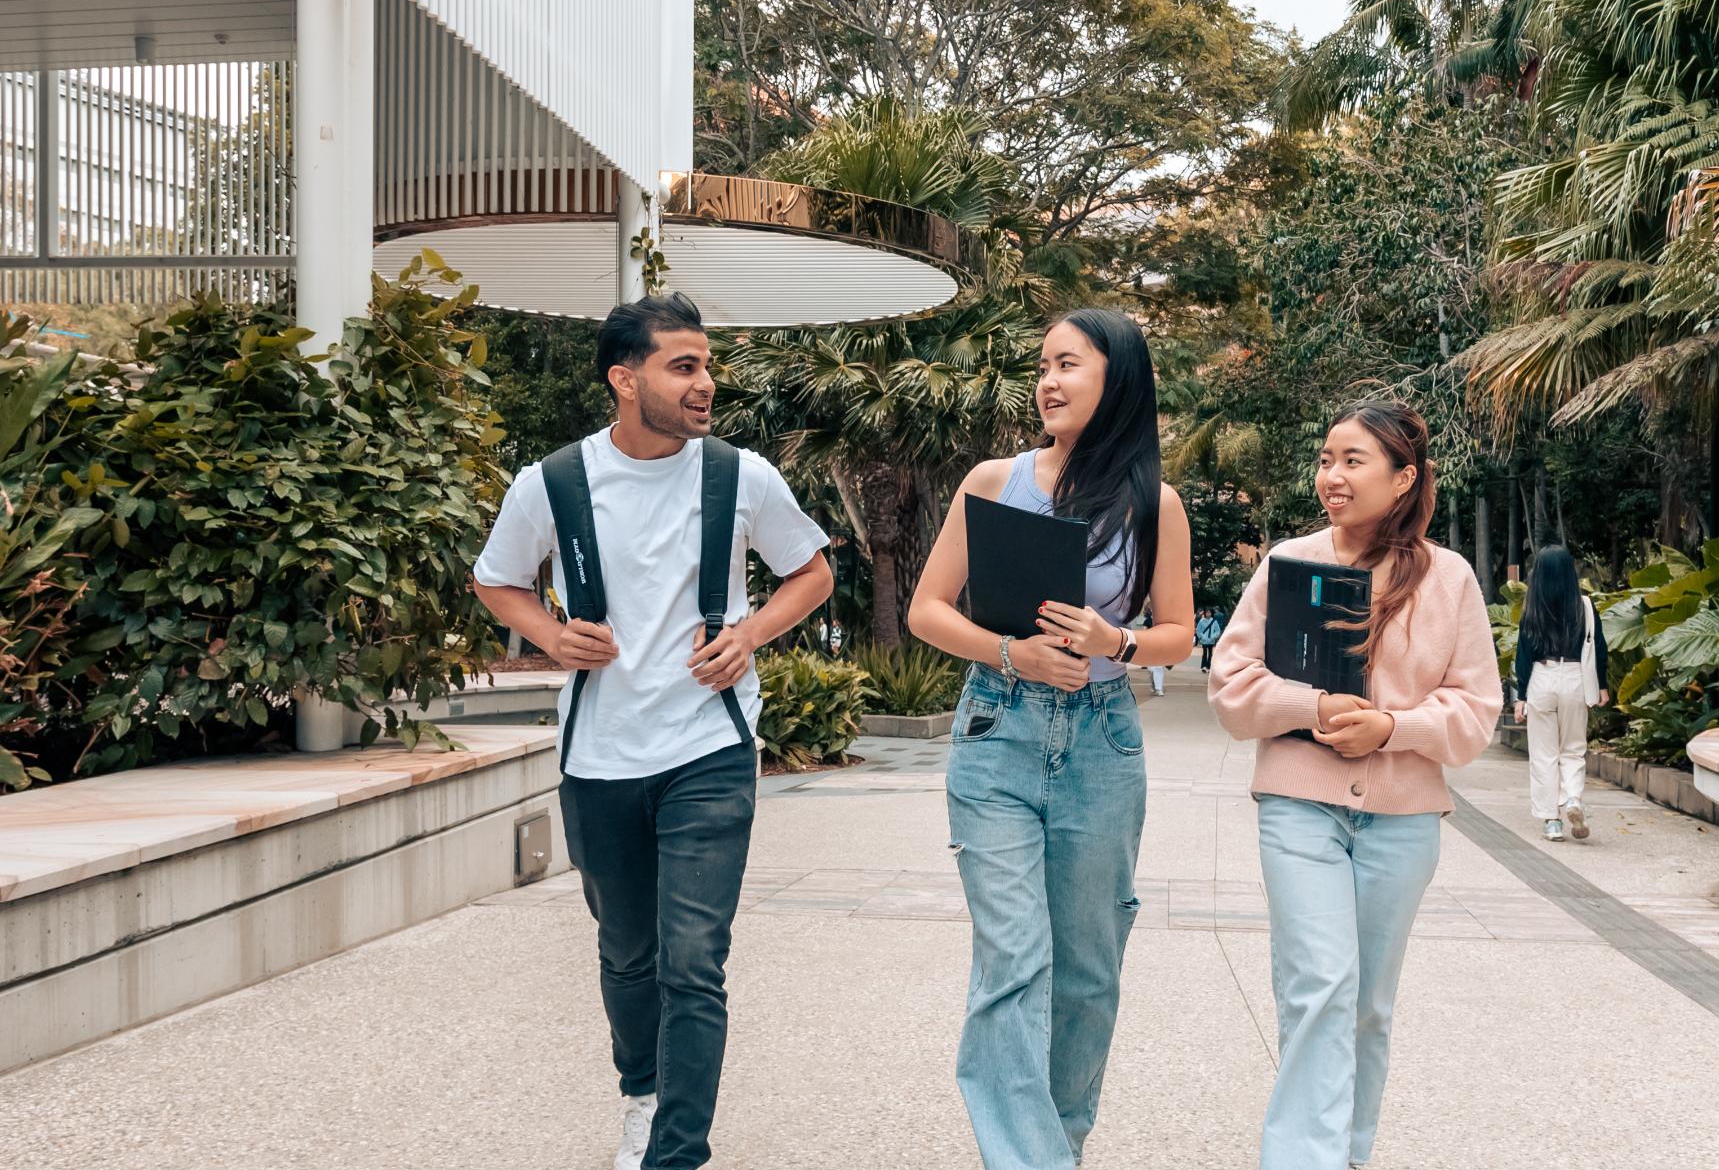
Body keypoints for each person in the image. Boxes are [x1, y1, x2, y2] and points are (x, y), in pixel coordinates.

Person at [471, 294, 833, 1170]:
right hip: (598, 755)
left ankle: (676, 1151)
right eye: (685, 366)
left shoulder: (739, 476)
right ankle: (642, 1093)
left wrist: (748, 635)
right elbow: (497, 580)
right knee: (627, 955)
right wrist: (554, 634)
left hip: (708, 747)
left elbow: (811, 573)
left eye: (706, 365)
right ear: (624, 379)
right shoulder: (553, 481)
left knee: (694, 962)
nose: (705, 383)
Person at [908, 308, 1194, 1170]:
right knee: (1013, 961)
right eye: (1043, 365)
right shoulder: (994, 481)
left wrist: (1117, 643)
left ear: (1119, 380)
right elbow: (927, 609)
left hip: (1103, 744)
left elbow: (1179, 633)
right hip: (996, 730)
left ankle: (1055, 1146)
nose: (1048, 381)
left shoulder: (1156, 503)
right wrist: (1011, 652)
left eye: (1068, 364)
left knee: (1087, 973)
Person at [1207, 401, 1501, 1170]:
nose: (1331, 477)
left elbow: (1476, 711)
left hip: (1403, 821)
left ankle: (1345, 1155)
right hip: (1300, 807)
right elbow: (1231, 685)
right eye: (1326, 459)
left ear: (1404, 478)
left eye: (1353, 461)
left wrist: (1393, 728)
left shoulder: (1450, 579)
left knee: (1367, 1008)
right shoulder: (1288, 564)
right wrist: (1313, 706)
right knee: (1321, 988)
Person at [1513, 544, 1610, 842]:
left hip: (1542, 678)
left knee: (1544, 754)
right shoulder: (1585, 606)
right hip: (1574, 677)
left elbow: (1523, 655)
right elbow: (1600, 648)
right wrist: (1602, 686)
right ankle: (1573, 800)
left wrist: (1522, 697)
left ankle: (1552, 821)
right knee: (1573, 747)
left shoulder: (1533, 607)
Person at [1195, 606, 1223, 672]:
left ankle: (1209, 666)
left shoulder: (1214, 621)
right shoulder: (1201, 621)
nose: (1208, 614)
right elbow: (1198, 630)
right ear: (1204, 613)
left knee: (1210, 653)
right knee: (1204, 653)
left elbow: (1217, 631)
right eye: (1207, 612)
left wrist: (1213, 636)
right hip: (1204, 640)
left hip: (1211, 640)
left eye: (1209, 613)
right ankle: (1204, 666)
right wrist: (1201, 637)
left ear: (1211, 613)